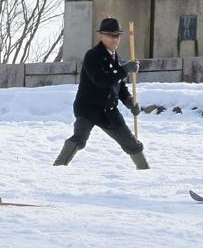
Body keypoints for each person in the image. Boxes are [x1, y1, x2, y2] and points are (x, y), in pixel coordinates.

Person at [53, 17, 146, 169]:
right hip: (88, 108)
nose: (114, 39)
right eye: (110, 35)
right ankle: (57, 168)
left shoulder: (118, 59)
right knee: (79, 138)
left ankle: (144, 171)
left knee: (131, 143)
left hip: (108, 111)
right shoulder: (92, 55)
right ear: (101, 35)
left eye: (117, 35)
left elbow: (120, 87)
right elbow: (101, 80)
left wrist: (130, 101)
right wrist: (124, 70)